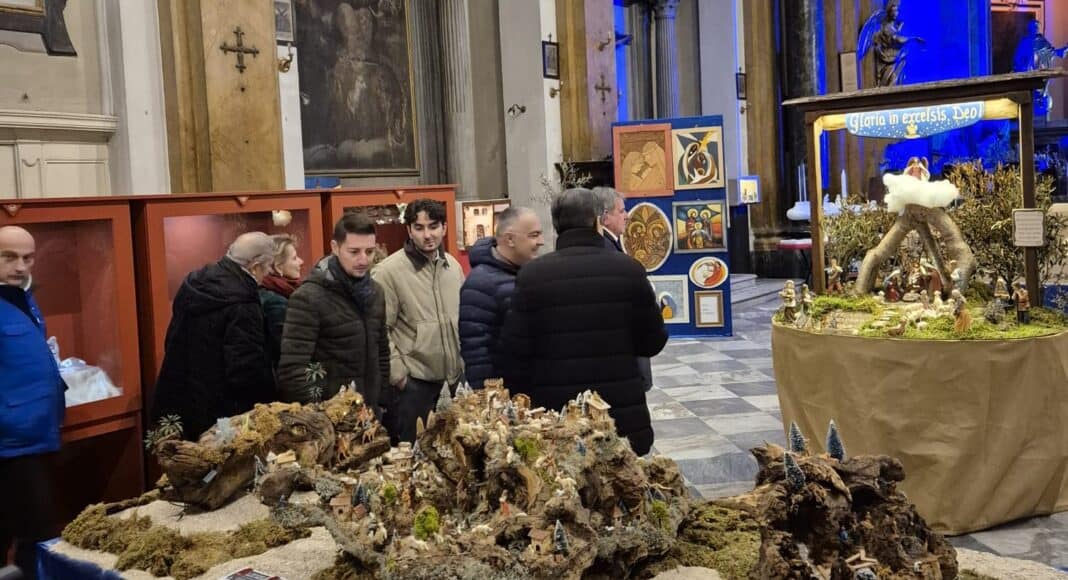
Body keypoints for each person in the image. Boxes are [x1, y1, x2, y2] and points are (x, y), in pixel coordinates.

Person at [501, 188, 668, 455]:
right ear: (597, 221)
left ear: (556, 225)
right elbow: (652, 342)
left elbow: (515, 352)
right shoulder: (629, 270)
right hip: (619, 411)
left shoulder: (532, 276)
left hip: (558, 415)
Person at [151, 232, 277, 440]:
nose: (268, 274)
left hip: (181, 399)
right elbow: (245, 367)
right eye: (267, 267)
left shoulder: (194, 282)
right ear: (255, 266)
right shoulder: (243, 302)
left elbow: (172, 338)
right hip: (222, 412)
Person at [373, 199, 464, 443]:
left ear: (444, 227)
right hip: (414, 385)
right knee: (413, 457)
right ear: (409, 230)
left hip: (454, 380)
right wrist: (399, 376)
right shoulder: (387, 272)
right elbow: (379, 329)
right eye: (419, 228)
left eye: (433, 226)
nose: (427, 235)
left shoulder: (453, 267)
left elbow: (461, 320)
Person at [0, 226, 62, 579]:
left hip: (35, 433)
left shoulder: (21, 297)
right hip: (10, 442)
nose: (21, 266)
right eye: (9, 257)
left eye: (28, 257)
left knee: (31, 535)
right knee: (36, 532)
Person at [277, 215, 389, 410]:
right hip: (329, 417)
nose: (363, 259)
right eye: (354, 252)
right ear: (335, 247)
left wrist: (382, 402)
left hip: (370, 414)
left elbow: (382, 354)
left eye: (369, 251)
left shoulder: (376, 292)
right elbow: (292, 370)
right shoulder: (308, 297)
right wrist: (323, 414)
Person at [459, 207, 544, 390]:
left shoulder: (528, 274)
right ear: (510, 239)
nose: (541, 242)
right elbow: (476, 351)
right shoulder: (480, 283)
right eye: (534, 235)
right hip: (504, 395)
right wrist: (487, 399)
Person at [595, 186, 654, 392]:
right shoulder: (606, 249)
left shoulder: (611, 244)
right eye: (621, 211)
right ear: (605, 217)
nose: (627, 216)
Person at [259, 234, 304, 372]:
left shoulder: (269, 291)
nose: (301, 262)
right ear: (278, 267)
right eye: (294, 258)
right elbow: (286, 350)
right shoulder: (276, 302)